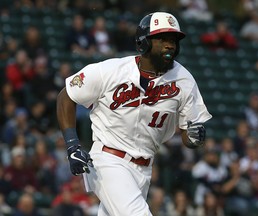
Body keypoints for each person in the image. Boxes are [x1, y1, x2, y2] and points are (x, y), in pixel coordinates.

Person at [57, 11, 212, 215]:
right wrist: (72, 145)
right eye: (162, 38)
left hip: (144, 169)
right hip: (108, 160)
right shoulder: (112, 70)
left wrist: (194, 137)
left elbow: (188, 135)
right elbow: (66, 95)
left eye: (173, 39)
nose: (170, 45)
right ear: (144, 41)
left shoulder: (184, 80)